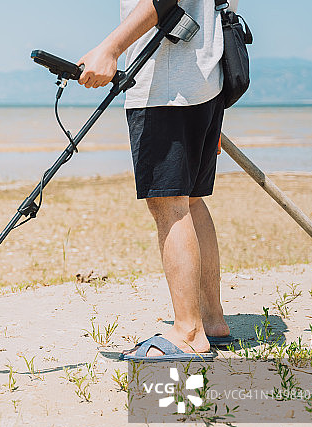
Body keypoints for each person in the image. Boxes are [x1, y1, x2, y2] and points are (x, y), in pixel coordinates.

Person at [77, 0, 237, 359]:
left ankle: (188, 333)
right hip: (205, 82)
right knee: (191, 200)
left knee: (169, 203)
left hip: (166, 85)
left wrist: (110, 48)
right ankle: (211, 322)